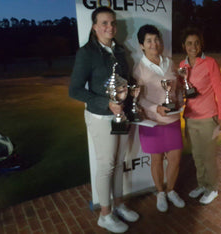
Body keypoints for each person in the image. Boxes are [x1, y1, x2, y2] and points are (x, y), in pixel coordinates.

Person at [69, 6, 138, 233]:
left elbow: (124, 81)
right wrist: (105, 103)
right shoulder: (86, 52)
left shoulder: (119, 51)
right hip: (100, 117)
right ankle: (105, 215)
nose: (110, 27)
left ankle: (118, 205)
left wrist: (131, 95)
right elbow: (75, 90)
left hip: (120, 116)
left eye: (113, 23)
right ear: (95, 27)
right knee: (106, 165)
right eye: (105, 23)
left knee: (118, 163)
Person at [133, 24, 185, 212]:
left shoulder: (169, 62)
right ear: (141, 45)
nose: (154, 43)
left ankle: (171, 190)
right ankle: (160, 193)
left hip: (172, 119)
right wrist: (156, 108)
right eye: (149, 41)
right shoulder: (139, 69)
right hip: (152, 122)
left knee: (175, 159)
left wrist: (178, 102)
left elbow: (177, 88)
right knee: (156, 160)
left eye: (156, 39)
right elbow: (138, 98)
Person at [179, 27, 221, 205]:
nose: (193, 46)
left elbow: (218, 90)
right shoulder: (182, 66)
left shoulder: (210, 63)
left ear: (201, 45)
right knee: (197, 156)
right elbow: (182, 91)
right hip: (190, 118)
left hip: (208, 117)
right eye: (189, 43)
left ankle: (212, 188)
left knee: (208, 156)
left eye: (197, 43)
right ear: (184, 45)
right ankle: (202, 185)